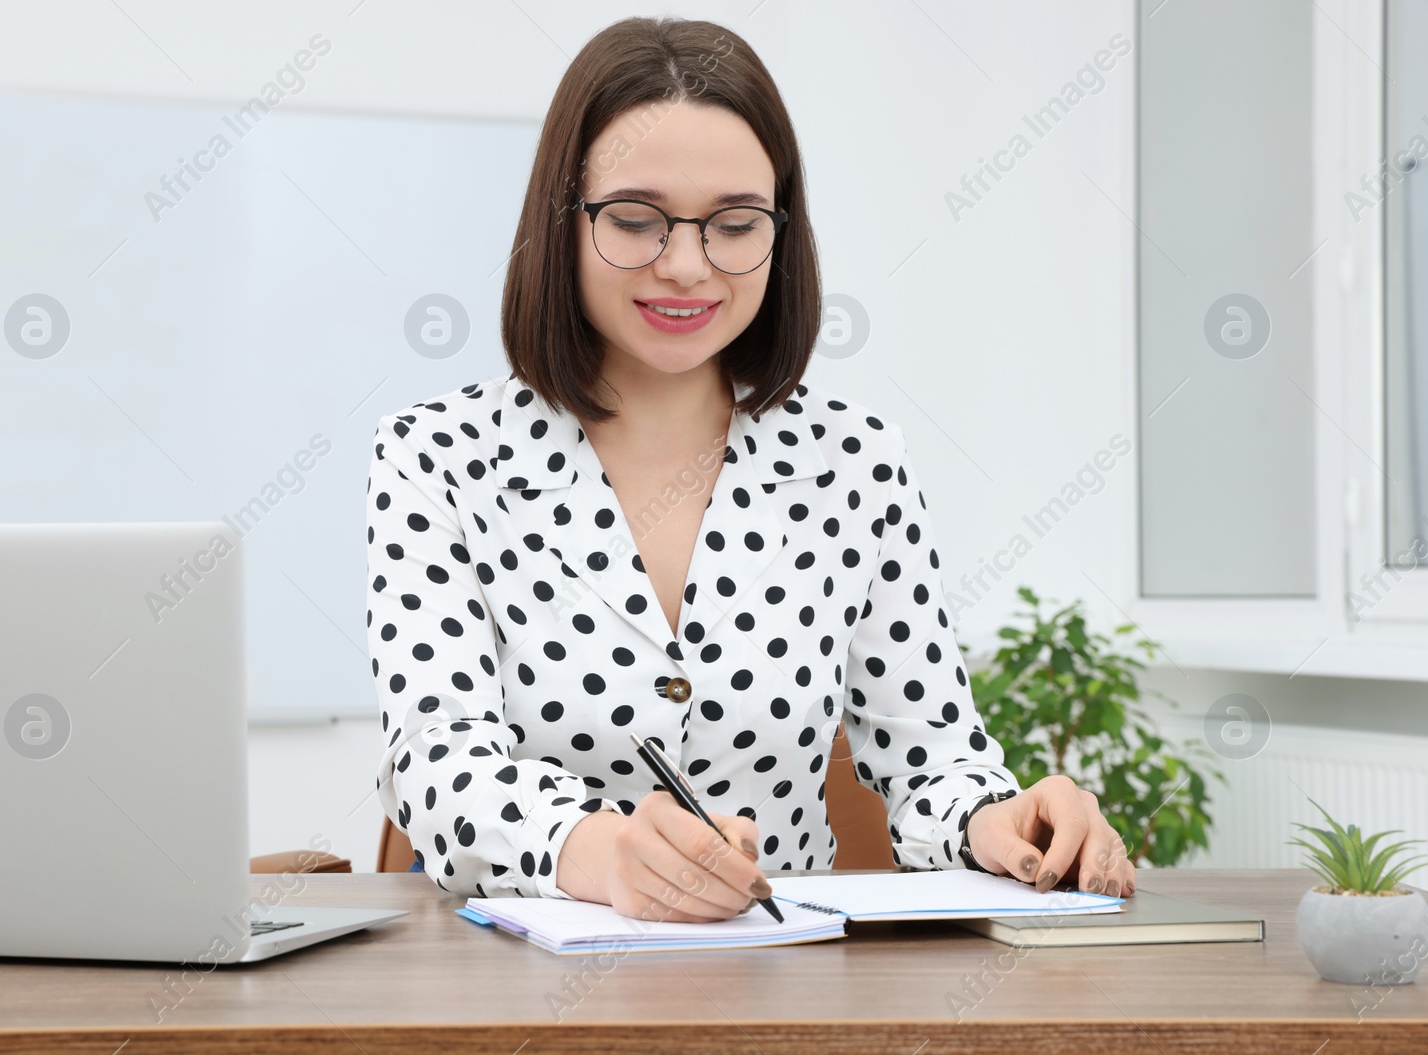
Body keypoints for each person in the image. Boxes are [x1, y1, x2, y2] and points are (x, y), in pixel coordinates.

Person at [365, 15, 1135, 923]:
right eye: (635, 220)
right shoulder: (438, 456)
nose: (686, 265)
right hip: (521, 985)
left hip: (785, 978)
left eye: (734, 224)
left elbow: (932, 761)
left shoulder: (855, 462)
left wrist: (998, 819)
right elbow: (437, 764)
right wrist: (605, 852)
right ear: (561, 220)